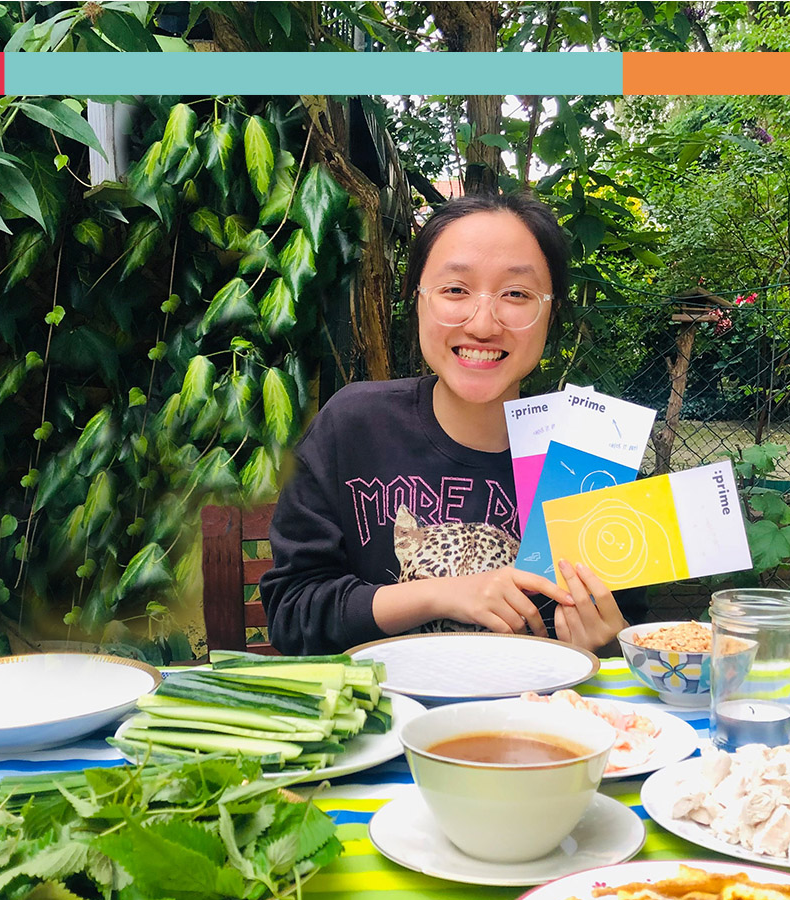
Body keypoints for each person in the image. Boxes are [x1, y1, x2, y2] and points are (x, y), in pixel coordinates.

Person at [260, 190, 647, 656]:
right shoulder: (354, 425)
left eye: (517, 294)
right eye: (456, 290)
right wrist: (440, 593)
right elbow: (291, 613)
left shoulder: (592, 460)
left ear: (552, 312)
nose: (483, 323)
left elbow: (627, 635)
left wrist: (606, 645)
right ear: (419, 300)